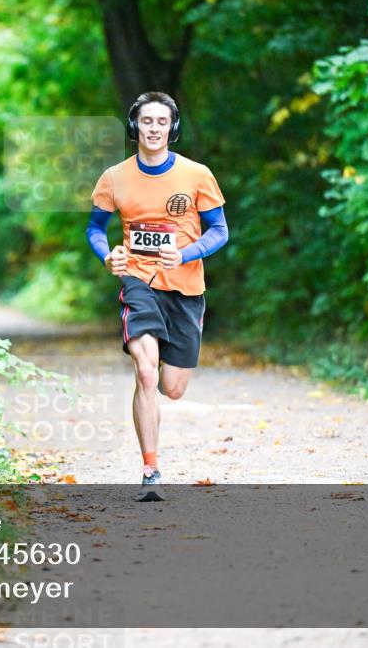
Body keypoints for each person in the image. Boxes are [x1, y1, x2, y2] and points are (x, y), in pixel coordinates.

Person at [85, 91, 229, 501]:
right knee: (145, 373)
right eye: (146, 121)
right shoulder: (114, 177)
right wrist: (107, 254)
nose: (153, 129)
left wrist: (184, 252)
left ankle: (169, 361)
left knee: (173, 387)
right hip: (138, 280)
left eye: (161, 122)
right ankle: (151, 470)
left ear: (172, 128)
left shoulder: (197, 174)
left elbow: (220, 231)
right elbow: (95, 229)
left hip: (185, 288)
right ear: (134, 127)